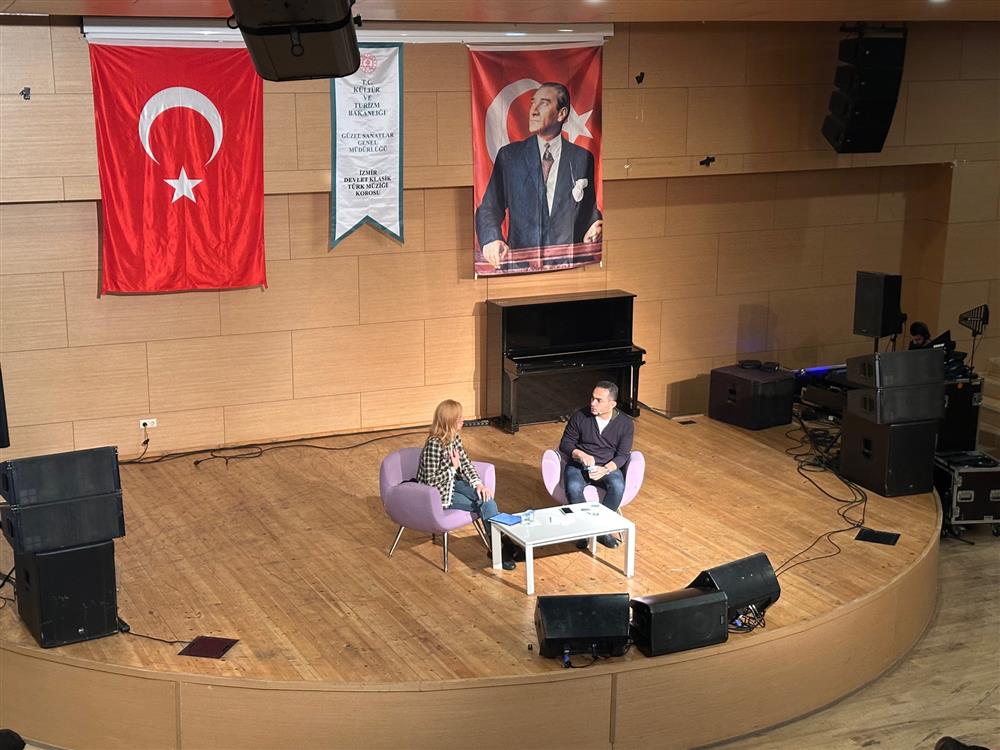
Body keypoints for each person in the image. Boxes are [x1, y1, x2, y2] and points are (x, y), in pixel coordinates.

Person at [475, 82, 603, 270]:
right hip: (521, 267)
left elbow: (587, 210)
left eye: (543, 103)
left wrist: (594, 225)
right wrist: (491, 239)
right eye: (532, 103)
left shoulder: (582, 158)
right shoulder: (510, 157)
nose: (533, 111)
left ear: (562, 113)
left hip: (569, 268)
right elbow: (489, 208)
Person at [416, 400, 516, 570]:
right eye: (459, 418)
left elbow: (466, 464)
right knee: (482, 504)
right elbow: (430, 481)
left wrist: (478, 484)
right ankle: (500, 547)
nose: (463, 420)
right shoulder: (434, 444)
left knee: (486, 498)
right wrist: (452, 468)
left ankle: (499, 545)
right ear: (449, 421)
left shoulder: (454, 438)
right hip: (439, 492)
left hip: (455, 483)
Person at [558, 381, 634, 549]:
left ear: (612, 404)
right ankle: (584, 530)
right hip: (579, 464)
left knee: (617, 486)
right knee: (573, 487)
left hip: (607, 465)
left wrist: (605, 469)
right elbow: (565, 443)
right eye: (592, 398)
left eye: (599, 400)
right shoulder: (580, 416)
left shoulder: (625, 423)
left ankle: (601, 530)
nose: (593, 403)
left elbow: (623, 455)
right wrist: (579, 454)